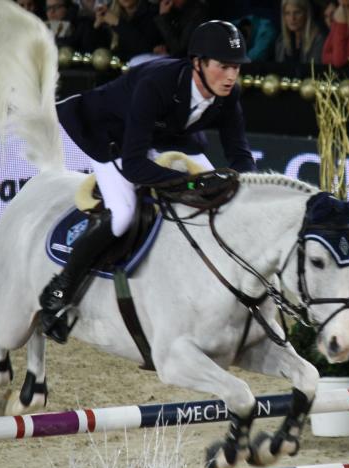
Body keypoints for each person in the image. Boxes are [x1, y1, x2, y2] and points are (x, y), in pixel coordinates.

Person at [39, 21, 257, 343]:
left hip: (169, 134)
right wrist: (191, 184)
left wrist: (245, 186)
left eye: (236, 67)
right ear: (198, 63)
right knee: (123, 214)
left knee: (220, 196)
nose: (231, 76)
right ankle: (60, 290)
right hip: (109, 133)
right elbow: (136, 166)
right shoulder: (158, 83)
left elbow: (239, 155)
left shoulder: (228, 93)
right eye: (223, 66)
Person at [94, 0, 161, 60]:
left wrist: (117, 23)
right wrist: (97, 26)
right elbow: (99, 52)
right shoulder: (110, 11)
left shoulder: (153, 11)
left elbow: (147, 49)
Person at [274, 0, 325, 65]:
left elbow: (314, 71)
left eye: (297, 13)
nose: (292, 18)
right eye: (287, 13)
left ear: (306, 14)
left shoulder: (318, 40)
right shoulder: (281, 41)